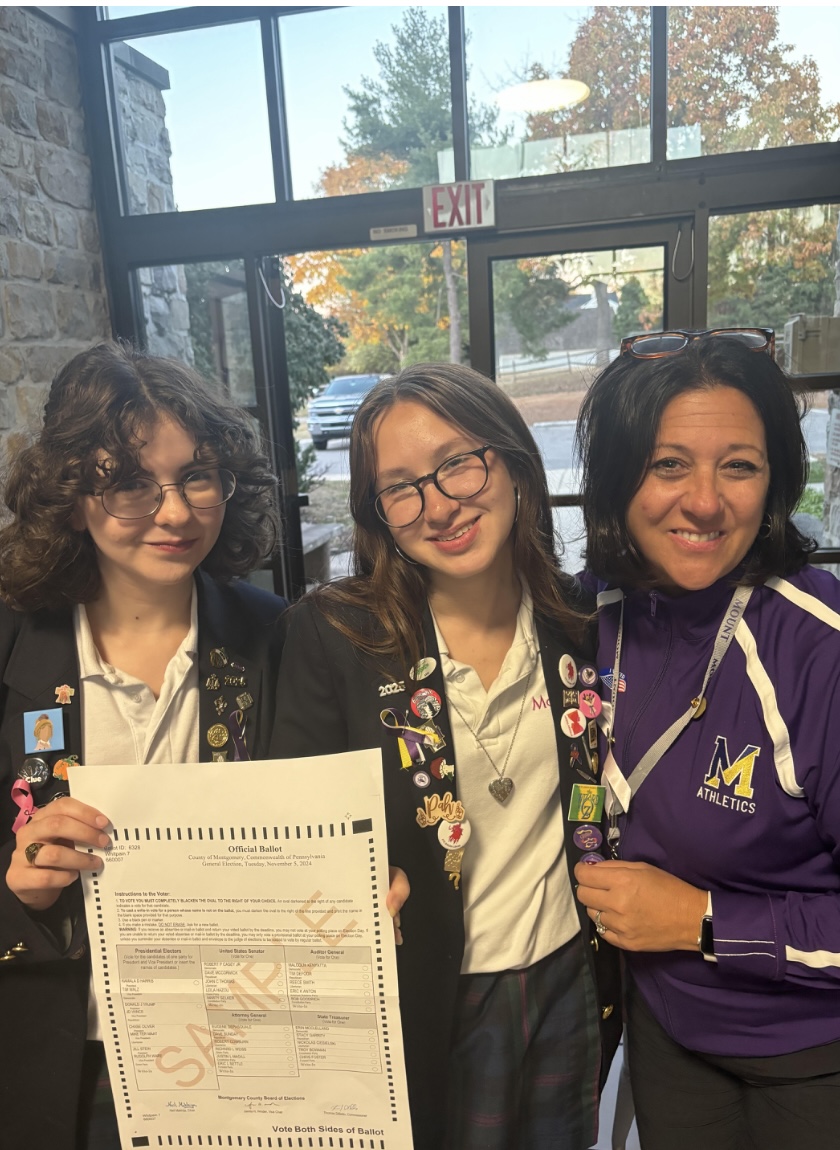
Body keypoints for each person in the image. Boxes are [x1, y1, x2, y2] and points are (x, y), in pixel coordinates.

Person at [273, 363, 621, 1150]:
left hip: (568, 972)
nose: (438, 505)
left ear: (513, 461)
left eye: (459, 462)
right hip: (427, 988)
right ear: (379, 513)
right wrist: (349, 880)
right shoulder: (334, 637)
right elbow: (290, 834)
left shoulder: (577, 620)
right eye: (400, 488)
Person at [0, 341, 287, 1150]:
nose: (175, 512)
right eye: (128, 481)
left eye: (197, 476)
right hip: (61, 1069)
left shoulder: (277, 640)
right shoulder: (12, 645)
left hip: (246, 1063)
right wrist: (12, 892)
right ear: (68, 491)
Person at [573, 328, 840, 1149]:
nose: (703, 502)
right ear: (619, 479)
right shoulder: (588, 616)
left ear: (775, 482)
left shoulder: (816, 646)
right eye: (667, 464)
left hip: (808, 1050)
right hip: (667, 1032)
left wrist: (704, 921)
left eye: (739, 465)